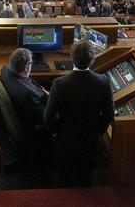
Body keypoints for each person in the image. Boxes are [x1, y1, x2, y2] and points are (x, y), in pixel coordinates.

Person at [44, 40, 114, 187]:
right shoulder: (104, 82)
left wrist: (58, 132)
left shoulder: (59, 84)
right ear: (93, 60)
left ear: (71, 58)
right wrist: (97, 130)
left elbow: (48, 118)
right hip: (90, 142)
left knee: (63, 180)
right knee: (85, 180)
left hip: (64, 142)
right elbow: (109, 115)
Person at [0, 48, 49, 145]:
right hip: (35, 131)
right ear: (26, 67)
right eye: (31, 63)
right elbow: (44, 118)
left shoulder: (4, 70)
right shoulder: (28, 95)